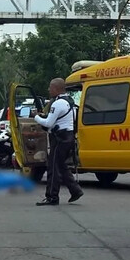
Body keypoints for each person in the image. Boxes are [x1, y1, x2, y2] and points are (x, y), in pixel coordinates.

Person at [33, 78, 83, 206]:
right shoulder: (69, 102)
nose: (49, 89)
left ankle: (52, 197)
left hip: (60, 139)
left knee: (53, 168)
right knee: (61, 166)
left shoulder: (57, 103)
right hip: (68, 137)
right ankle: (75, 190)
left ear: (56, 88)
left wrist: (36, 117)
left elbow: (49, 123)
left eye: (50, 87)